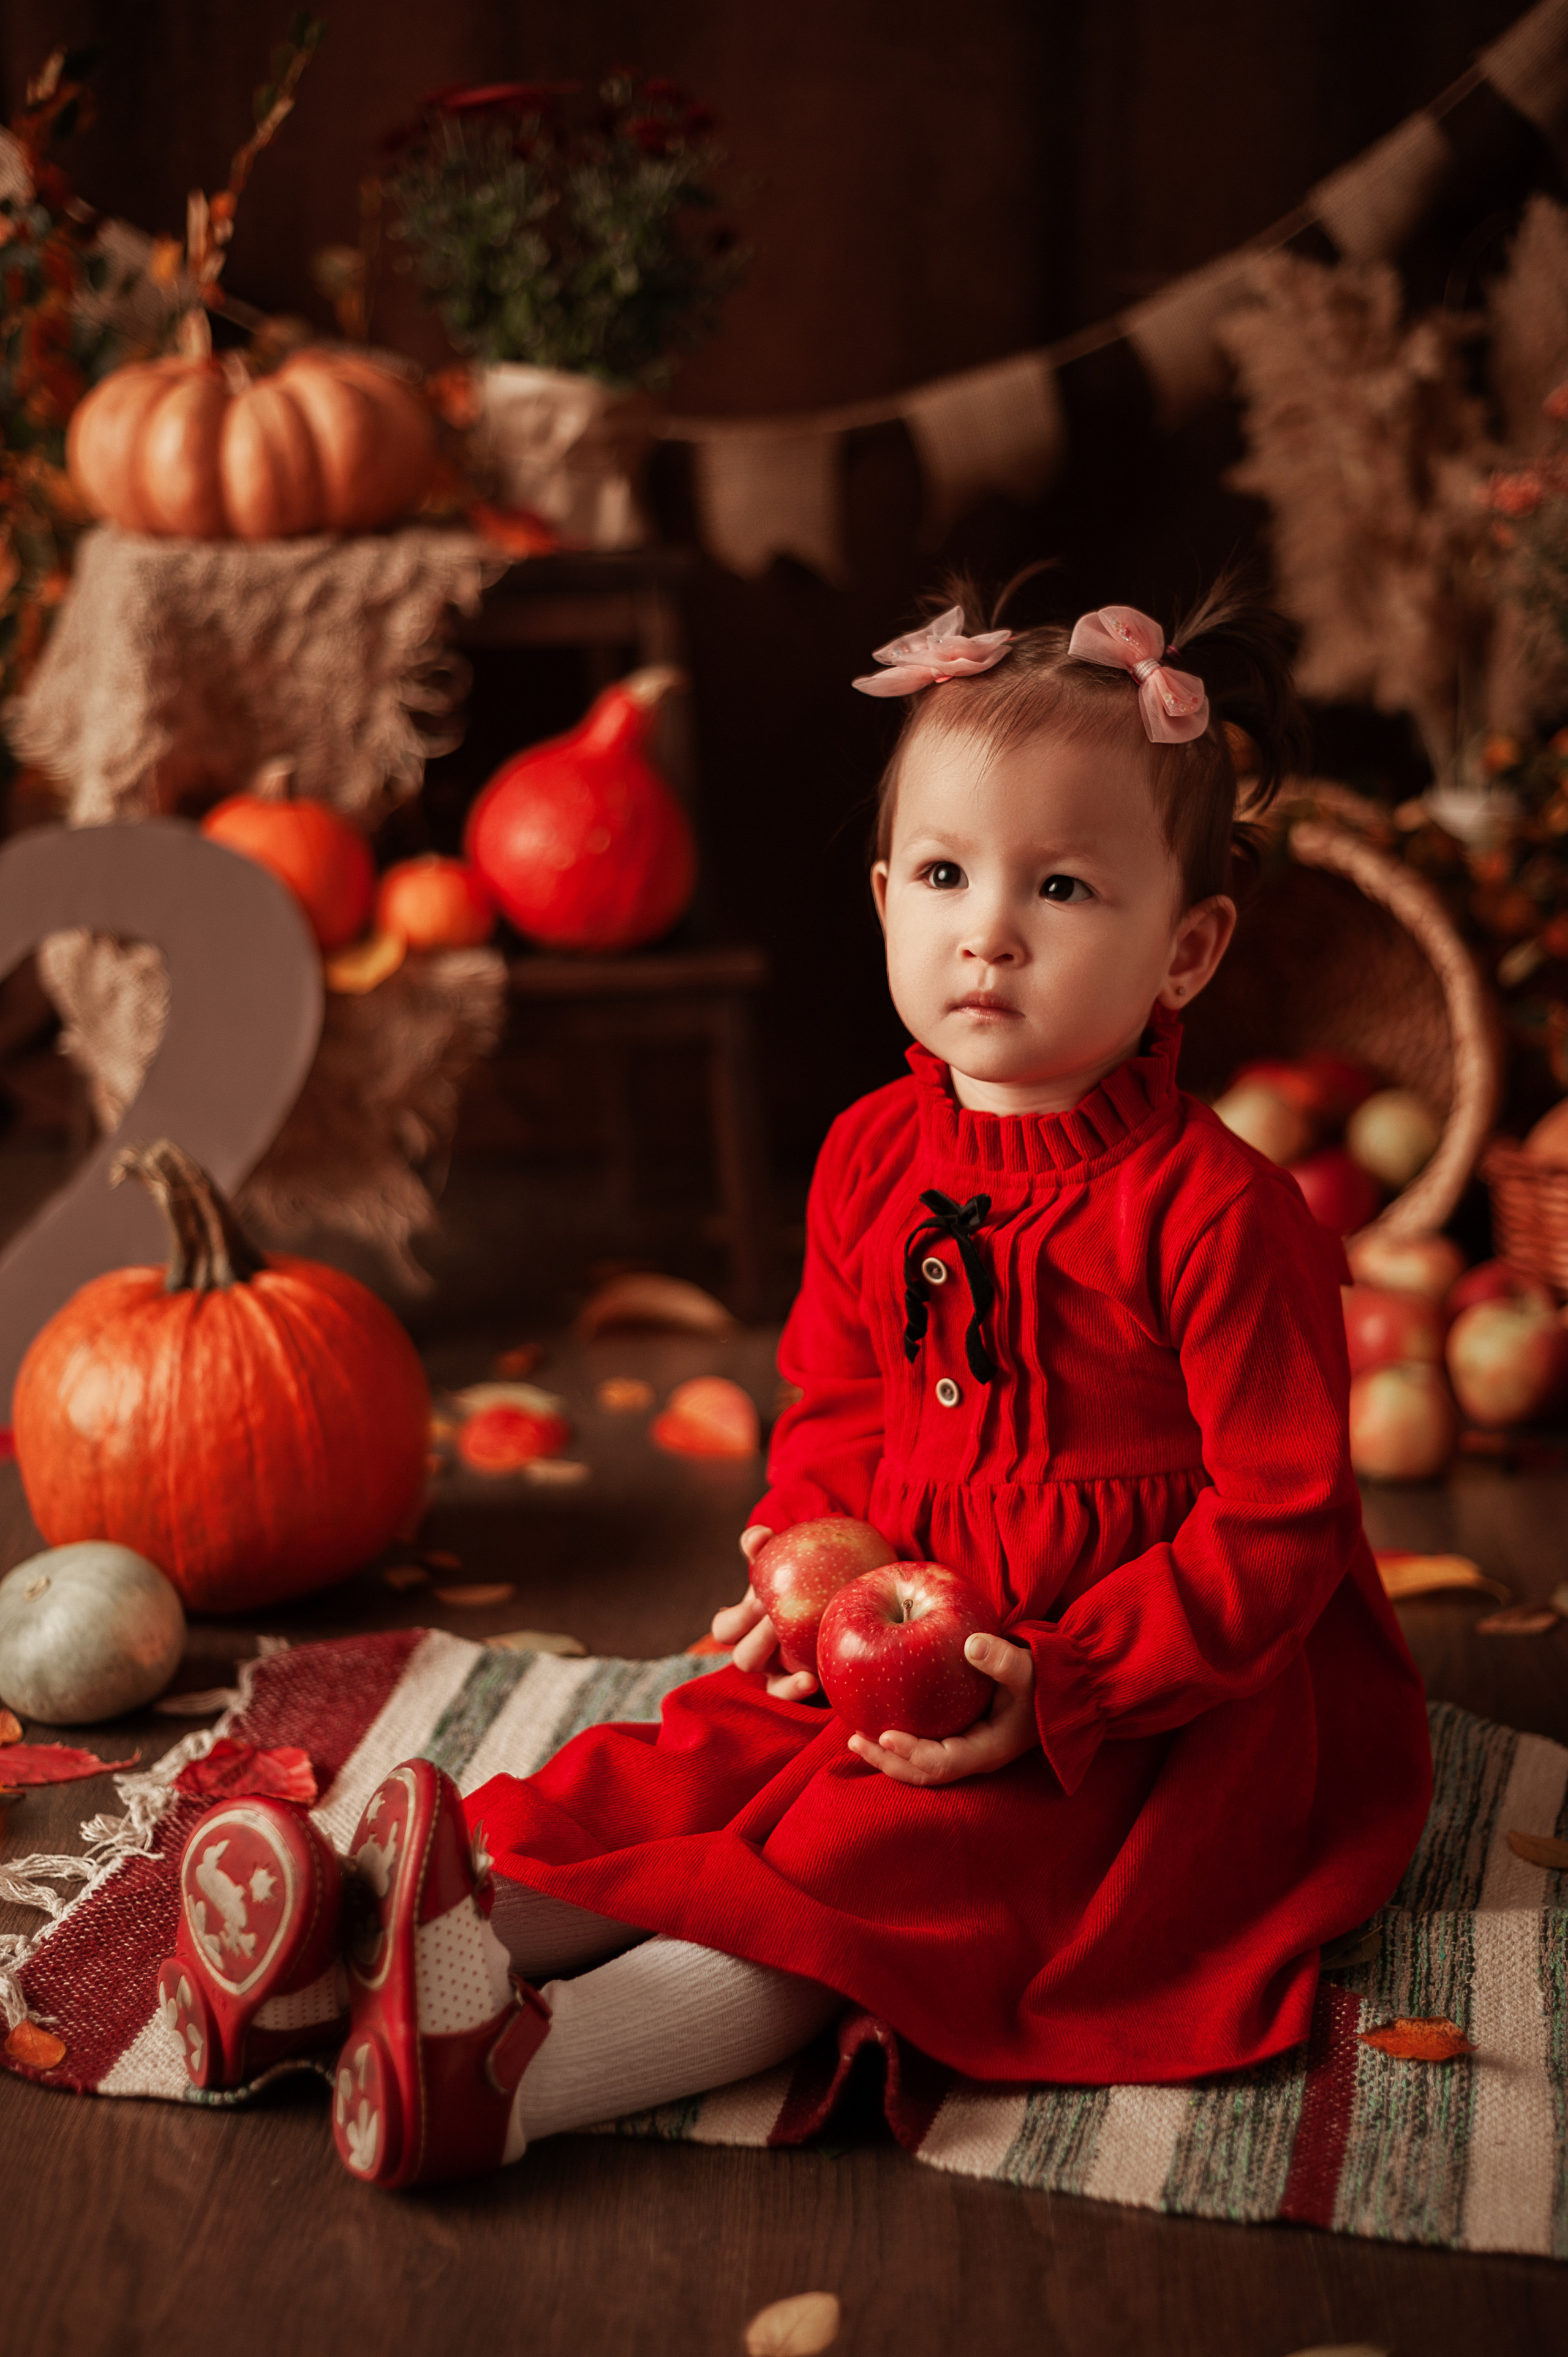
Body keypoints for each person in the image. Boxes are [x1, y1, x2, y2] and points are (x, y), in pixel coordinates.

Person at [159, 580, 1433, 2189]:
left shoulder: (1219, 1215)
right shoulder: (869, 1157)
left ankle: (520, 2077)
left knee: (877, 1872)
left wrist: (1073, 1682)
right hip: (896, 1612)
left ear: (1186, 950)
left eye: (1062, 886)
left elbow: (1283, 1524)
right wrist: (802, 1558)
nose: (989, 930)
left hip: (1123, 1699)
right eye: (948, 876)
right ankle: (346, 1946)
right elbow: (840, 1404)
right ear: (887, 897)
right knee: (688, 1763)